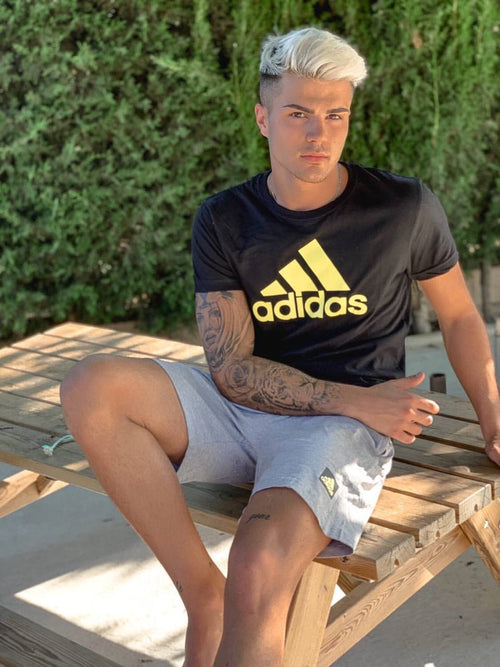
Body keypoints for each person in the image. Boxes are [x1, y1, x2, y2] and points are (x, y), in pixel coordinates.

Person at [60, 27, 500, 666]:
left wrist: (493, 419)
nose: (319, 133)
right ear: (264, 119)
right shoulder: (225, 218)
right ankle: (200, 594)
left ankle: (227, 605)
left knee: (259, 566)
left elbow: (459, 317)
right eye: (298, 114)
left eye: (335, 115)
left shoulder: (402, 207)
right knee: (92, 386)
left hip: (337, 432)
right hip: (255, 405)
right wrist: (354, 398)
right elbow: (232, 371)